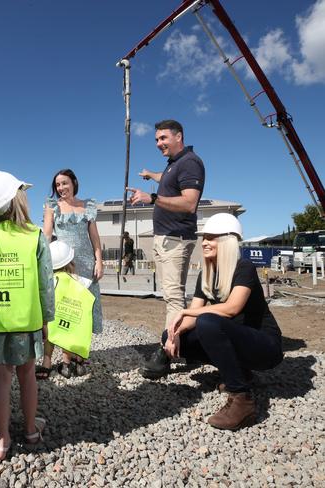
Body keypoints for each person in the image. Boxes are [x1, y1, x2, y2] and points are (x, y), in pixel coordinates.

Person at [142, 213, 283, 430]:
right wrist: (174, 334)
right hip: (236, 339)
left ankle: (241, 400)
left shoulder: (244, 267)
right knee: (173, 334)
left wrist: (186, 313)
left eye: (211, 237)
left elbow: (232, 308)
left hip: (264, 347)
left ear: (227, 240)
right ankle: (240, 372)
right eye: (204, 238)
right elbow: (195, 313)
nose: (204, 242)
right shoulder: (206, 275)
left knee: (208, 322)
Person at [0, 170, 54, 461]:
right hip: (26, 320)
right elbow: (46, 283)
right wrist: (47, 319)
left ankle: (3, 438)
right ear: (16, 200)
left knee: (1, 377)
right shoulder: (35, 236)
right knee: (27, 375)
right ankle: (31, 430)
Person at [128, 120, 205, 330]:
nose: (158, 143)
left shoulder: (190, 162)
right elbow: (168, 179)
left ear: (178, 137)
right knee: (170, 295)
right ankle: (182, 343)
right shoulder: (174, 164)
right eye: (156, 139)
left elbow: (190, 203)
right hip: (165, 239)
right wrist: (151, 175)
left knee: (173, 297)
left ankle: (170, 350)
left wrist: (152, 198)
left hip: (175, 239)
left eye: (163, 138)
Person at [40, 169, 103, 378]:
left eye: (64, 183)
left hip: (86, 263)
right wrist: (44, 263)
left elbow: (94, 237)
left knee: (85, 308)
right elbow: (47, 235)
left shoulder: (88, 206)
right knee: (68, 308)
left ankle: (81, 357)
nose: (61, 188)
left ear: (74, 183)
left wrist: (99, 260)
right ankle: (66, 360)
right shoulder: (52, 206)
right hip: (64, 263)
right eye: (58, 185)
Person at [45, 240, 95, 379]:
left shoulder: (51, 280)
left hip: (56, 321)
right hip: (77, 320)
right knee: (75, 334)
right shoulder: (80, 280)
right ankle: (78, 363)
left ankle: (56, 364)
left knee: (57, 334)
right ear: (71, 262)